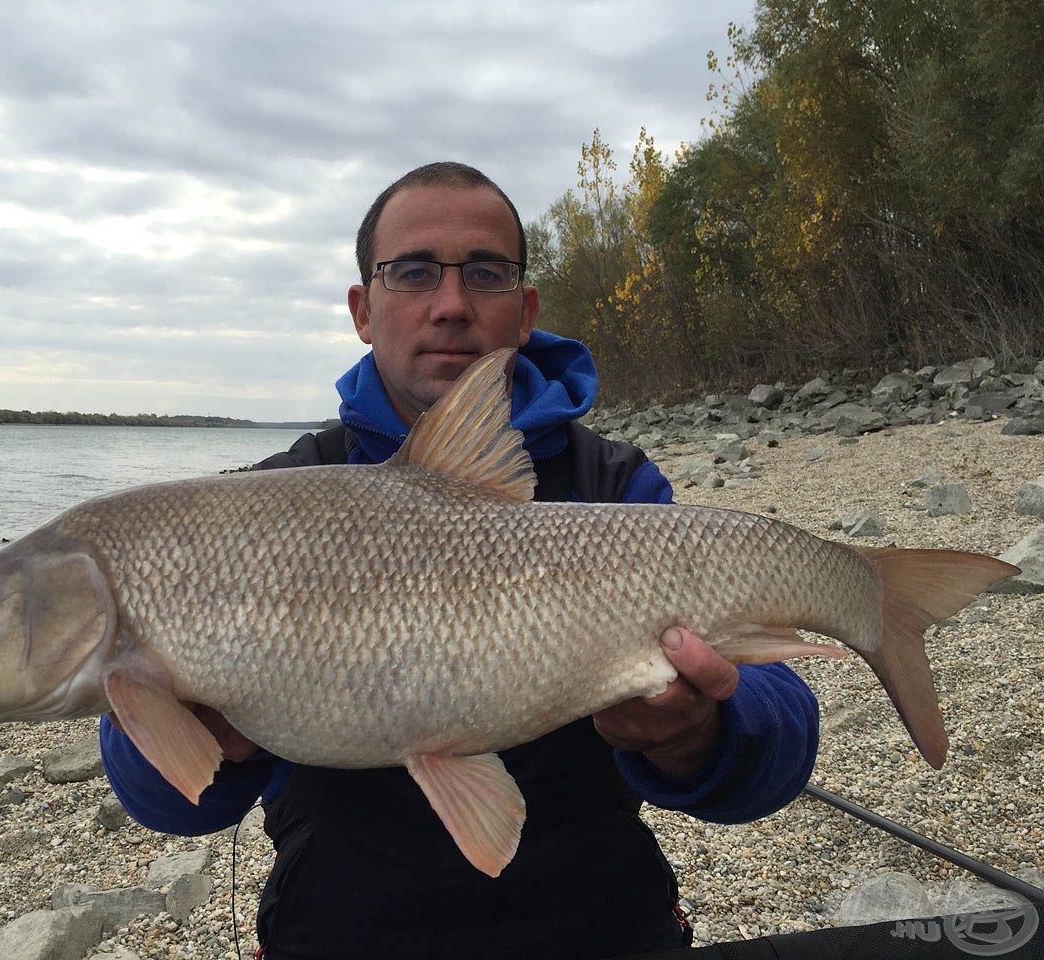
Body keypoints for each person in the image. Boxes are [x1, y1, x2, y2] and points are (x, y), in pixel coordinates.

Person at [100, 162, 820, 959]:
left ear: (524, 310)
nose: (450, 304)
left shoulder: (614, 488)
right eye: (411, 273)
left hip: (600, 930)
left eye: (485, 272)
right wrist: (203, 740)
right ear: (363, 310)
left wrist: (699, 734)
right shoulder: (268, 505)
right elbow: (163, 803)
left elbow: (780, 747)